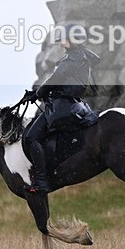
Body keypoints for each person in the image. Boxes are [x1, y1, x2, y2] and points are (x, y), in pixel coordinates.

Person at [21, 24, 100, 193]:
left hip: (62, 106)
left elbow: (55, 79)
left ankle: (41, 181)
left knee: (31, 137)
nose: (60, 43)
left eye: (63, 39)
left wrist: (37, 94)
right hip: (73, 104)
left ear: (73, 40)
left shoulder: (73, 58)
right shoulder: (81, 57)